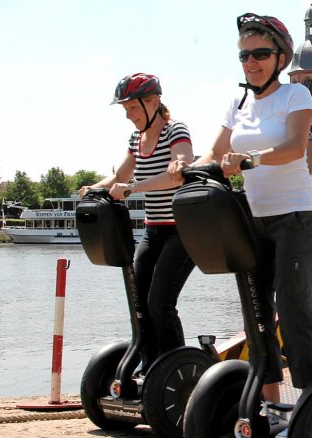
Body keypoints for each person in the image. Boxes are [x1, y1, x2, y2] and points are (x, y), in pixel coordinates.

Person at [169, 13, 312, 404]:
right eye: (244, 56)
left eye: (259, 54)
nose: (251, 62)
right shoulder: (238, 102)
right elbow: (216, 152)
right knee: (256, 313)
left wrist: (249, 160)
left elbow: (295, 147)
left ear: (280, 57)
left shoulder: (295, 95)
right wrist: (188, 167)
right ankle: (271, 403)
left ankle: (311, 401)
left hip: (296, 217)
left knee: (292, 309)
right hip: (254, 221)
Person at [79, 73, 196, 363]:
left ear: (153, 101)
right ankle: (149, 367)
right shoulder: (136, 138)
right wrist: (94, 188)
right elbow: (119, 176)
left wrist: (133, 188)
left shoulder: (175, 131)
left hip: (182, 233)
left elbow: (180, 170)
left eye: (132, 108)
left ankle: (174, 369)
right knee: (139, 304)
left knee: (160, 304)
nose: (128, 116)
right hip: (152, 232)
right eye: (126, 109)